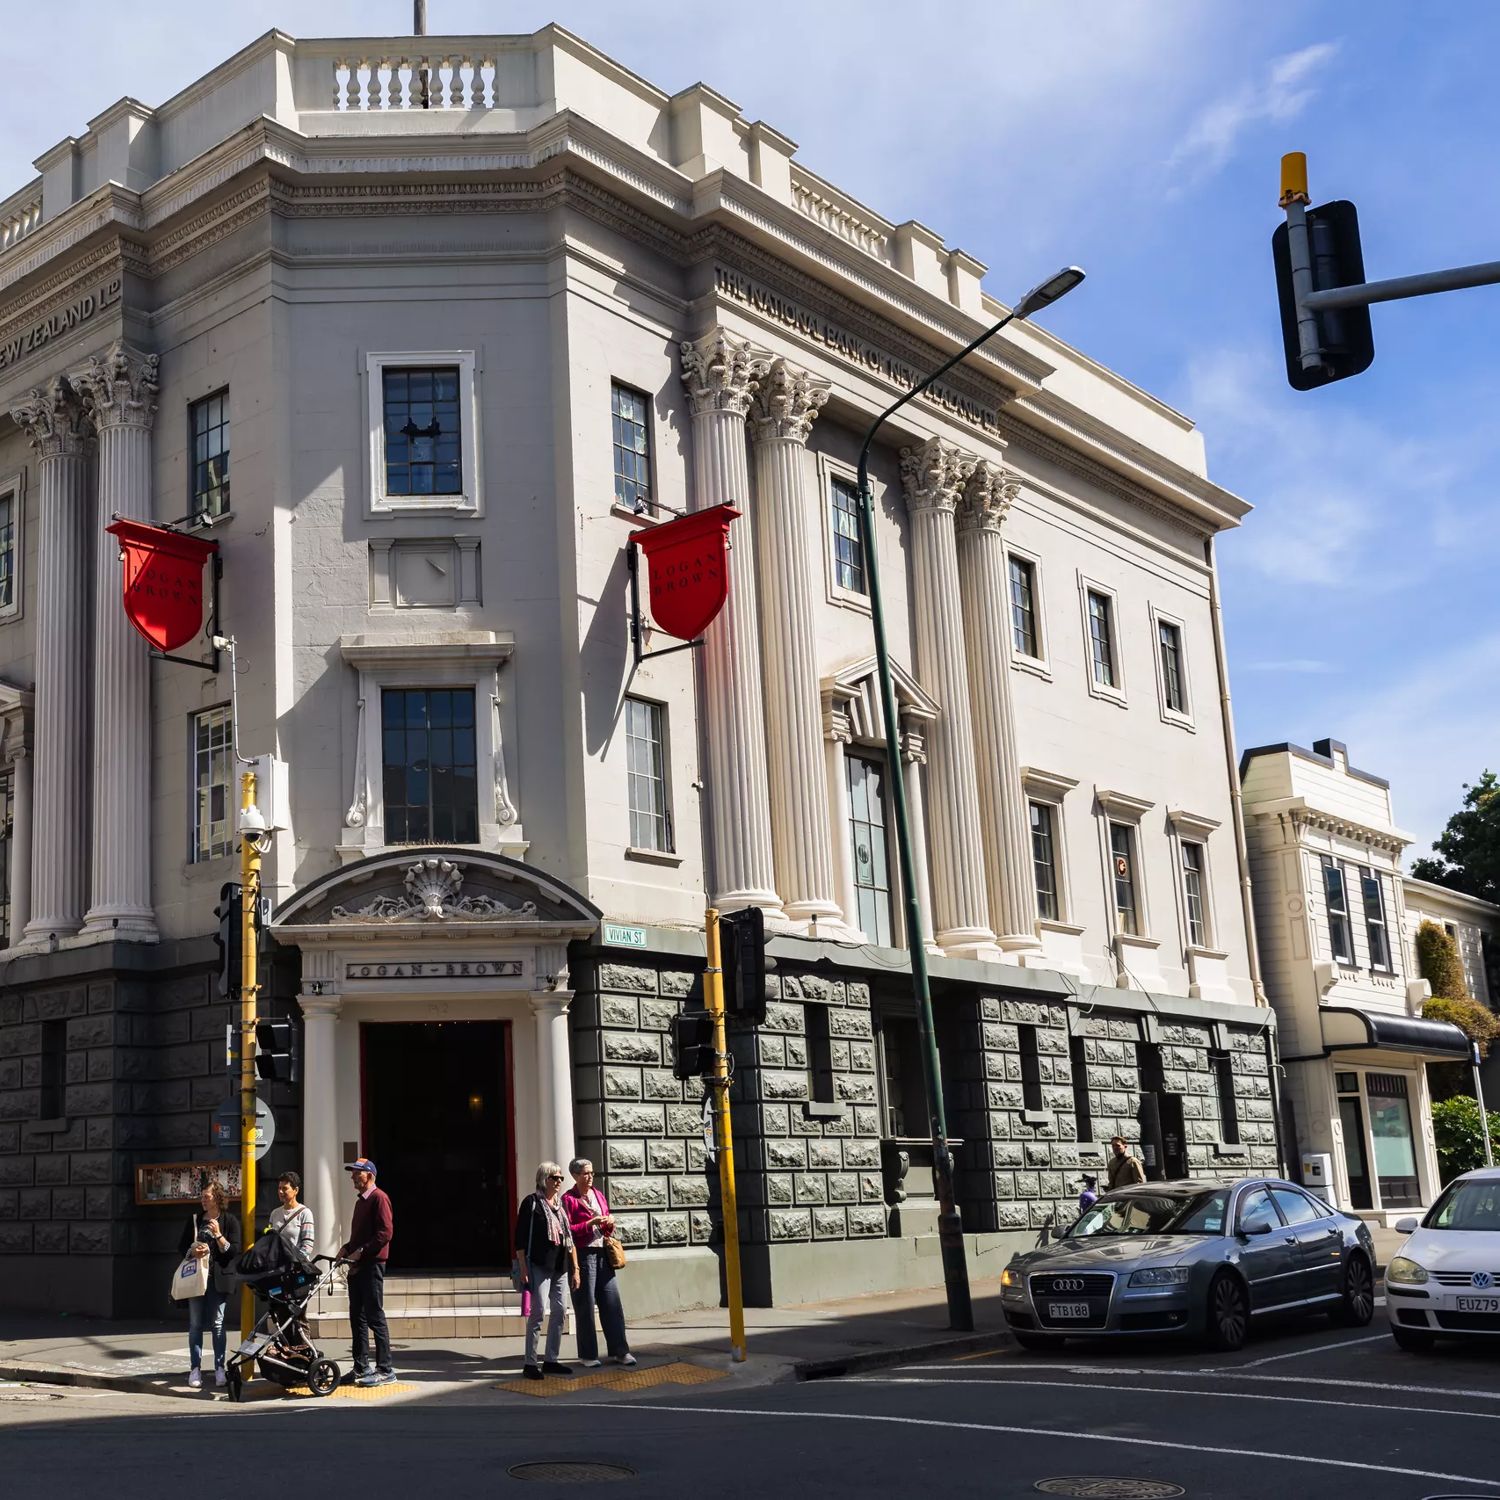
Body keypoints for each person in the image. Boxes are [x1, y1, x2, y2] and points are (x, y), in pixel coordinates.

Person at [563, 1157, 635, 1369]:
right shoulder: (569, 1199)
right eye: (586, 1173)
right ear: (575, 1176)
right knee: (584, 1305)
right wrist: (589, 1223)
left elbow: (606, 1226)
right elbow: (568, 1232)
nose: (590, 1176)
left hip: (603, 1253)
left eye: (592, 1172)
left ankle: (620, 1351)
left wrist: (609, 1223)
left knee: (612, 1303)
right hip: (583, 1255)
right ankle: (588, 1354)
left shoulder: (598, 1195)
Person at [516, 1161, 578, 1379]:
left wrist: (575, 1268)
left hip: (559, 1267)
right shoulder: (531, 1203)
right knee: (538, 1313)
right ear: (544, 1179)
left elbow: (569, 1239)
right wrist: (523, 1267)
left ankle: (551, 1359)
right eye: (555, 1177)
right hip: (538, 1266)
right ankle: (530, 1363)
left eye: (561, 1178)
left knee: (560, 1311)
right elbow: (520, 1239)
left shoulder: (560, 1206)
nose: (559, 1181)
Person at [177, 1181, 240, 1390]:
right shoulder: (195, 1220)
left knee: (218, 1324)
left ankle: (219, 1368)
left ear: (217, 1198)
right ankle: (195, 1368)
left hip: (217, 1280)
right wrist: (193, 1252)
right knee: (195, 1325)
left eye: (207, 1196)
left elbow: (233, 1252)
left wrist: (219, 1235)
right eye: (202, 1197)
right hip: (197, 1280)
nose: (203, 1200)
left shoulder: (229, 1220)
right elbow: (181, 1248)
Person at [337, 1158, 394, 1387]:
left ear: (369, 1175)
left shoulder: (379, 1198)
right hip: (358, 1266)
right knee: (357, 1318)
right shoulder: (361, 1201)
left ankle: (385, 1368)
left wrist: (361, 1251)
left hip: (371, 1265)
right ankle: (361, 1366)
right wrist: (348, 1248)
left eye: (356, 1173)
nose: (352, 1177)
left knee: (374, 1316)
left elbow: (385, 1233)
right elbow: (362, 1234)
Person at [267, 1171, 315, 1259]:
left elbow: (308, 1245)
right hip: (276, 1267)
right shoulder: (274, 1213)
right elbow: (269, 1241)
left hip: (296, 1267)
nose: (280, 1192)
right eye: (279, 1188)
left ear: (295, 1190)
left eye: (285, 1188)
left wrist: (295, 1262)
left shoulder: (305, 1213)